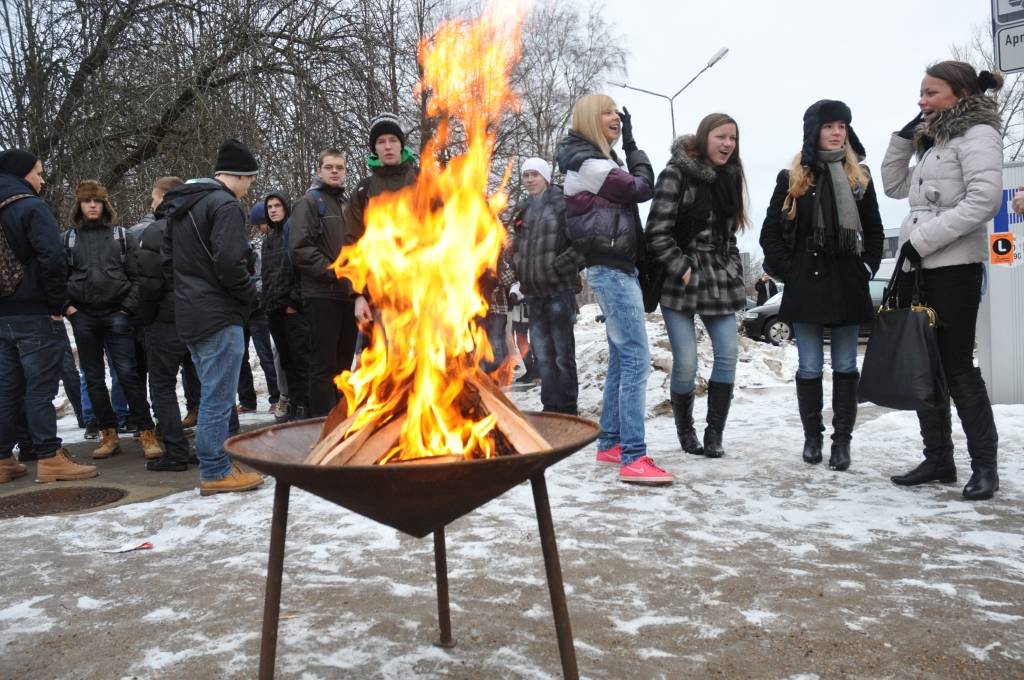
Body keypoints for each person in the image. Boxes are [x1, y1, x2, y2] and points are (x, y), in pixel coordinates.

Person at [882, 61, 1003, 501]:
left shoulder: (978, 134)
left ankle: (985, 468)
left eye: (930, 93)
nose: (922, 100)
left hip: (954, 269)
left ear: (959, 95)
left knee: (957, 370)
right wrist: (905, 136)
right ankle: (938, 459)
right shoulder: (936, 141)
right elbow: (894, 186)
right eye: (920, 92)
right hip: (922, 268)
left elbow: (983, 201)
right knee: (926, 368)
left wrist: (921, 241)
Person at [761, 100, 884, 471]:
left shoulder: (858, 176)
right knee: (810, 366)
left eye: (842, 126)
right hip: (808, 283)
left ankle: (842, 441)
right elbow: (769, 233)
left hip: (847, 281)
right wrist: (792, 271)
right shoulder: (793, 177)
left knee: (846, 365)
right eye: (829, 125)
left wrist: (865, 266)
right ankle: (812, 438)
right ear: (814, 130)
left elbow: (875, 231)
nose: (836, 132)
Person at [557, 94, 672, 485]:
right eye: (607, 112)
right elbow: (643, 188)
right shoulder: (589, 164)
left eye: (618, 113)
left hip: (614, 266)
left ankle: (610, 442)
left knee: (623, 358)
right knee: (637, 357)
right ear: (590, 119)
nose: (617, 118)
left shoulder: (595, 161)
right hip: (610, 268)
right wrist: (634, 147)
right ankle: (633, 458)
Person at [162, 138, 263, 495]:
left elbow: (168, 260)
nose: (250, 187)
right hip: (218, 314)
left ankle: (216, 462)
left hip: (190, 312)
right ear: (238, 176)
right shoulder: (225, 205)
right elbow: (229, 263)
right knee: (219, 397)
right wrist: (251, 296)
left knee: (211, 393)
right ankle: (215, 469)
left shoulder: (183, 205)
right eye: (250, 179)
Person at [645, 114, 749, 460]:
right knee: (686, 362)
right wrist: (682, 267)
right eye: (721, 136)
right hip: (681, 278)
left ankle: (715, 433)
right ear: (705, 138)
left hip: (719, 276)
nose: (728, 144)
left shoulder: (729, 178)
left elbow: (729, 236)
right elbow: (656, 231)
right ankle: (686, 430)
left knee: (728, 355)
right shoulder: (676, 173)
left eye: (733, 138)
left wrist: (733, 265)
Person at [0, 148, 96, 483]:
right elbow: (52, 259)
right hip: (34, 313)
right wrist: (58, 305)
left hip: (1, 318)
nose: (42, 180)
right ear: (23, 174)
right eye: (38, 173)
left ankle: (2, 461)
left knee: (7, 388)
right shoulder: (30, 206)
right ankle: (49, 457)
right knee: (40, 388)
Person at [63, 180, 162, 460]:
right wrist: (70, 310)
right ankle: (108, 434)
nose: (92, 205)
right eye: (86, 201)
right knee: (93, 379)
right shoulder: (68, 239)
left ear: (105, 205)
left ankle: (146, 431)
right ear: (79, 205)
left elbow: (138, 278)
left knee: (128, 375)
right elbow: (56, 279)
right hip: (83, 318)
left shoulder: (122, 236)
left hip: (118, 315)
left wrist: (126, 311)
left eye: (97, 201)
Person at [290, 148, 368, 417]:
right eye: (329, 167)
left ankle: (341, 421)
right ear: (319, 170)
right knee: (322, 366)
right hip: (321, 295)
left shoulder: (346, 205)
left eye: (340, 167)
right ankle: (321, 424)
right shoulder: (310, 203)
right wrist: (335, 272)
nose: (335, 171)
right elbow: (300, 249)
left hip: (347, 296)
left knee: (344, 365)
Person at [507, 157, 578, 414]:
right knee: (543, 356)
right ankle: (551, 408)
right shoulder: (523, 210)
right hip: (534, 295)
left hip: (559, 292)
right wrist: (520, 268)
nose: (529, 180)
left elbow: (580, 245)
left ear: (546, 177)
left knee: (562, 355)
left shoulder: (562, 204)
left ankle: (569, 410)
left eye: (535, 174)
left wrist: (558, 268)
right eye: (526, 175)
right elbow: (515, 248)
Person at [135, 175, 195, 472]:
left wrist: (143, 319)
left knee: (162, 387)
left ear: (164, 199)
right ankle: (213, 449)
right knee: (206, 386)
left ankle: (176, 451)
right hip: (200, 318)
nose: (151, 203)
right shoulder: (198, 226)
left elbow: (148, 283)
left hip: (165, 321)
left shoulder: (156, 232)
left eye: (155, 197)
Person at [261, 191, 310, 421]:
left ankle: (303, 404)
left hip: (292, 308)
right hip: (273, 309)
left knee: (300, 357)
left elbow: (300, 271)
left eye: (277, 205)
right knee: (285, 361)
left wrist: (294, 302)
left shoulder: (292, 234)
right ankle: (291, 402)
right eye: (269, 206)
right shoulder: (268, 240)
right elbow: (266, 274)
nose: (272, 210)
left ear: (285, 207)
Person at [236, 202, 280, 415]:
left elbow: (264, 278)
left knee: (265, 354)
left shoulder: (261, 247)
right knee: (239, 357)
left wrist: (258, 297)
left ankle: (276, 397)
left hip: (257, 309)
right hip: (239, 309)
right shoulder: (241, 245)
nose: (261, 227)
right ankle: (246, 401)